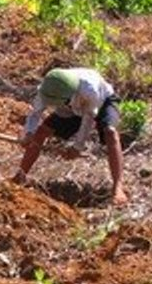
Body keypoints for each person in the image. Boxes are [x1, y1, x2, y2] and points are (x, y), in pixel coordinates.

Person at [12, 67, 128, 205]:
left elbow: (88, 120)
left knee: (110, 132)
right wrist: (28, 134)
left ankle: (118, 187)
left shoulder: (90, 91)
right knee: (41, 132)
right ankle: (20, 176)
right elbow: (35, 113)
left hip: (102, 102)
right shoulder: (46, 90)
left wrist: (77, 147)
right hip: (70, 109)